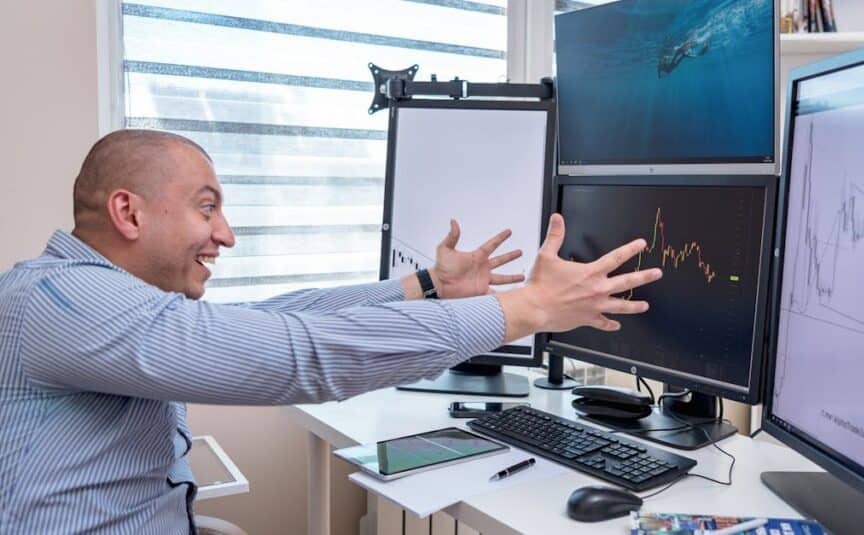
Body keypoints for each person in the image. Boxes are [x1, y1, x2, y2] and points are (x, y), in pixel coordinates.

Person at [0, 129, 662, 533]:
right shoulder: (63, 301)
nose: (225, 234)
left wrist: (425, 285)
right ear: (129, 213)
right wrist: (527, 309)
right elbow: (296, 357)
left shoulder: (92, 298)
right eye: (208, 207)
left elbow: (278, 319)